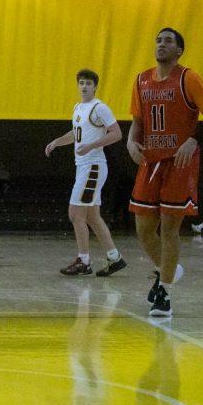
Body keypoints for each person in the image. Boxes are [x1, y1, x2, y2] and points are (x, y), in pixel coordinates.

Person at [127, 27, 203, 317]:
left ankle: (165, 293)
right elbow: (138, 121)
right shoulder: (141, 79)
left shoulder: (188, 78)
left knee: (169, 229)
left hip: (180, 162)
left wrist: (192, 141)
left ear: (179, 50)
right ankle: (169, 269)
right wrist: (131, 141)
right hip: (151, 161)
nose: (161, 44)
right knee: (143, 229)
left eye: (168, 41)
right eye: (158, 40)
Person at [45, 68, 125, 277]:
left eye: (88, 83)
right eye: (81, 82)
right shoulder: (78, 107)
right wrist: (57, 142)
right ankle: (114, 257)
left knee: (75, 213)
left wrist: (91, 146)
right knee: (92, 217)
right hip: (84, 166)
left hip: (93, 166)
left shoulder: (100, 108)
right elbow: (76, 132)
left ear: (95, 86)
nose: (84, 86)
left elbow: (117, 133)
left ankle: (84, 261)